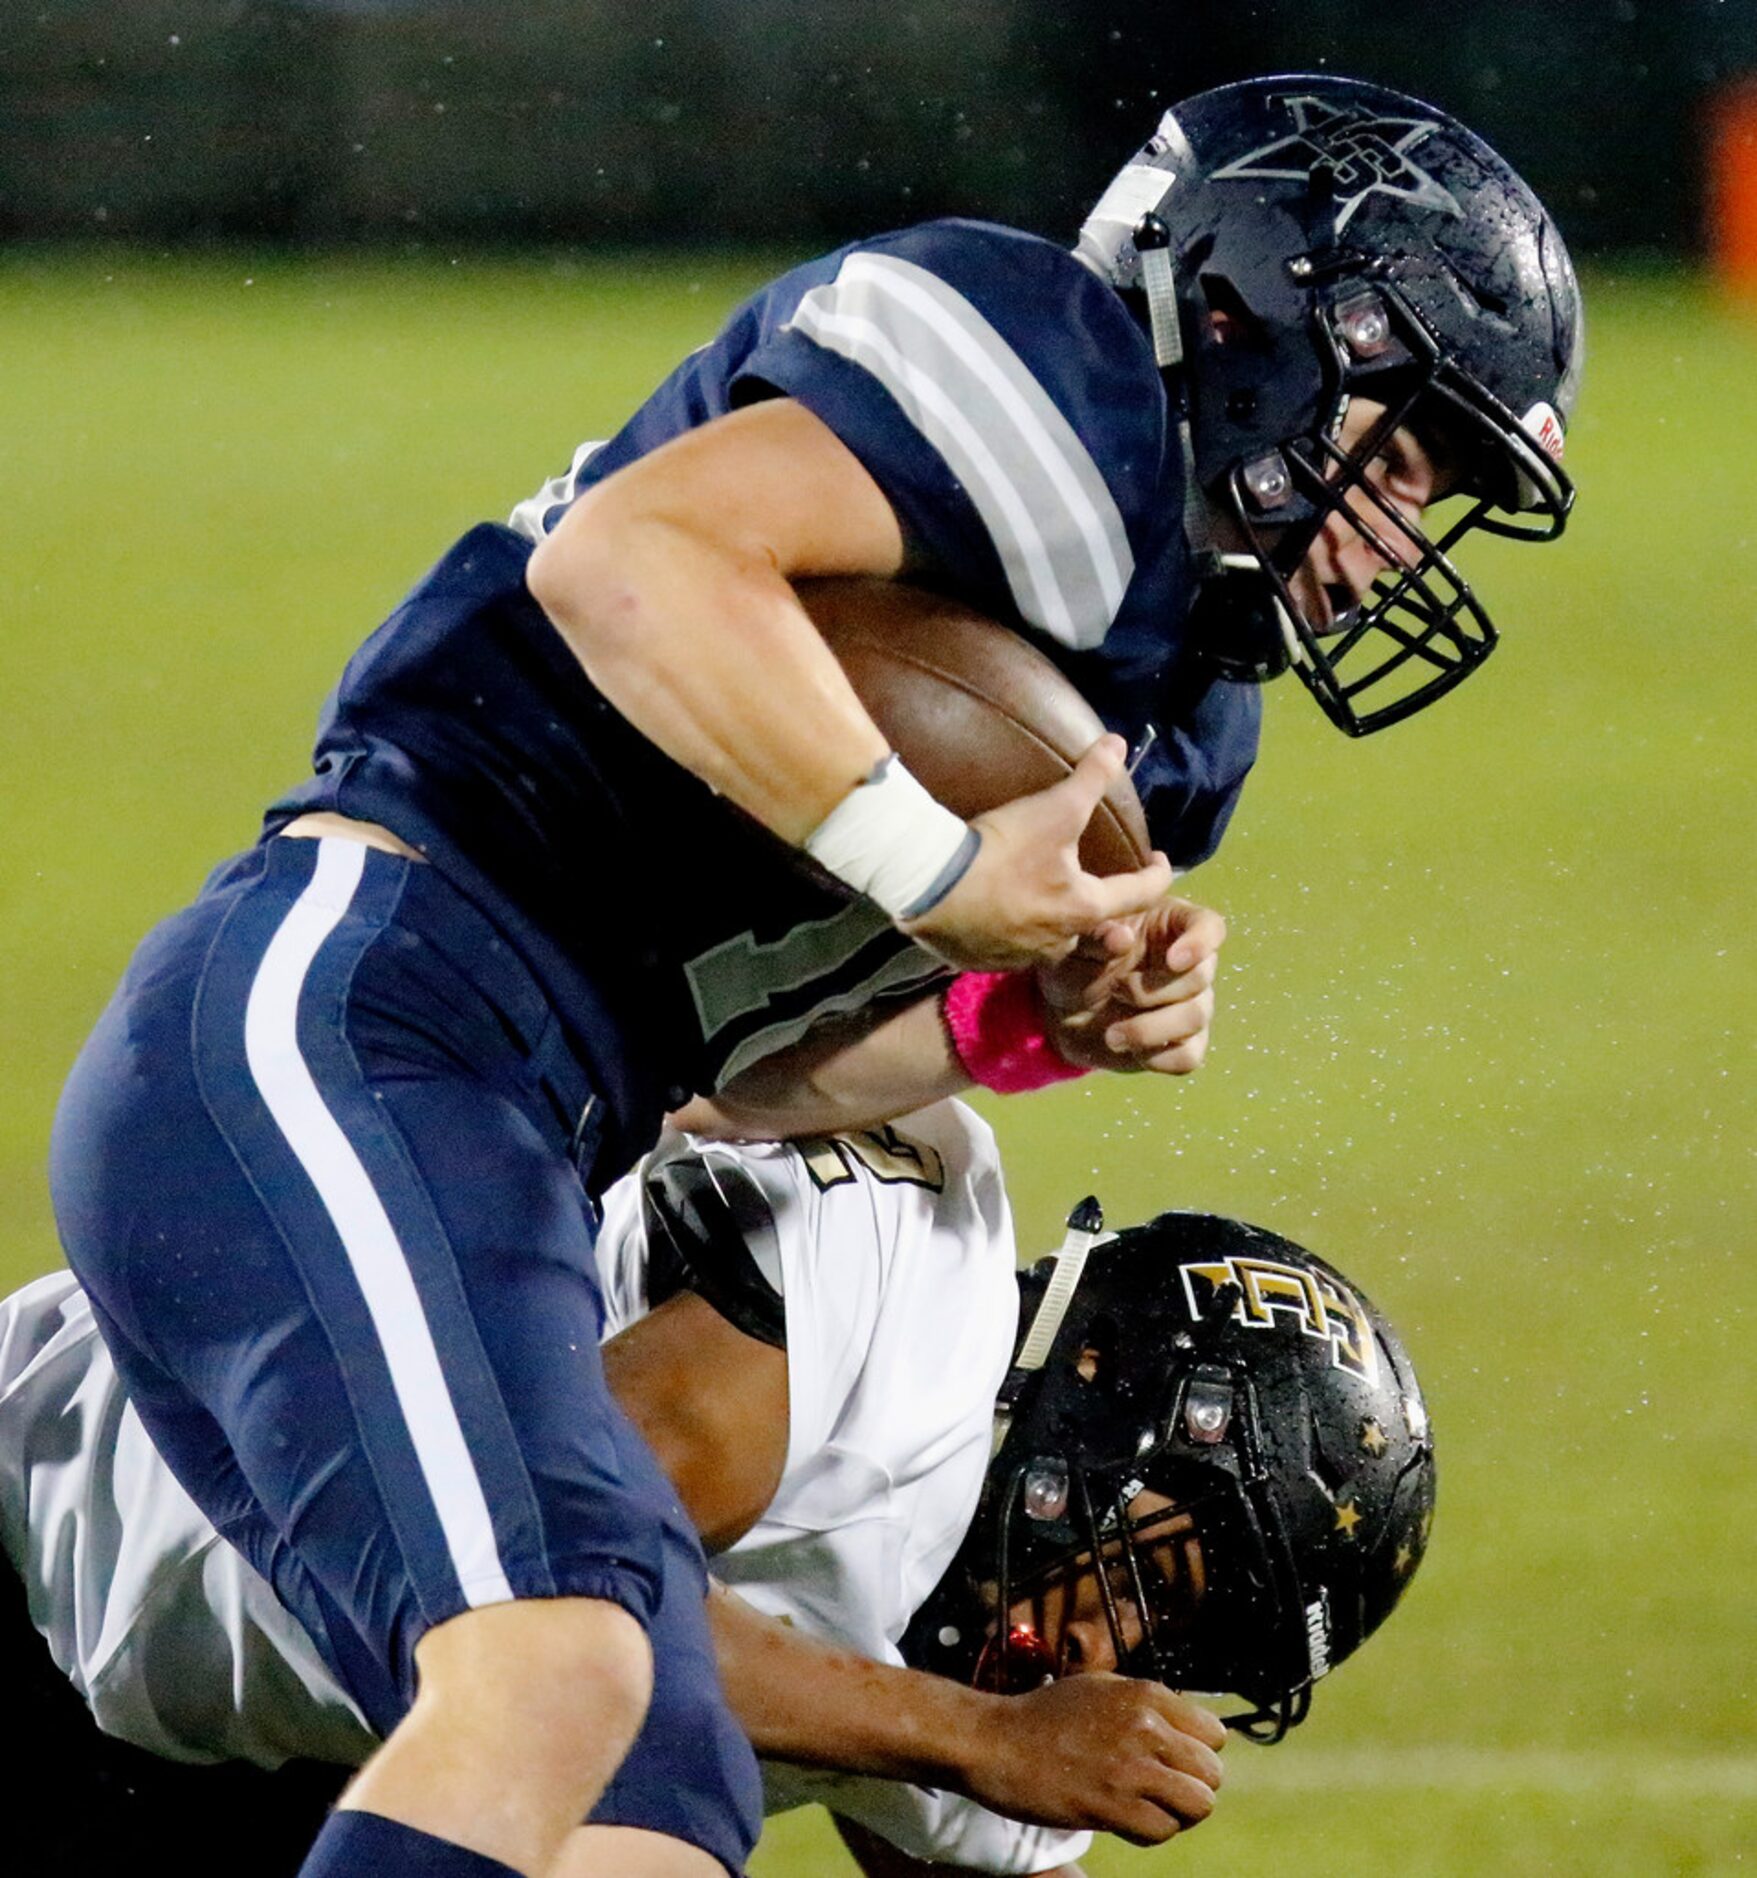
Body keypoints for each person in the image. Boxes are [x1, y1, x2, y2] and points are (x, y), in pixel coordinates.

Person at [45, 70, 1574, 1878]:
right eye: (1398, 455)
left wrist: (1019, 1009)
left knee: (665, 1779)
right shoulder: (1054, 376)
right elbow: (633, 558)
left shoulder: (1180, 726)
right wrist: (933, 863)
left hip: (538, 1100)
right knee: (554, 1668)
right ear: (1249, 318)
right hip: (366, 987)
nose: (1398, 532)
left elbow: (738, 1074)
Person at [7, 1103, 1435, 1875]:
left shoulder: (991, 1667)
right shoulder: (876, 1296)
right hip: (53, 1532)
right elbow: (530, 1584)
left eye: (1171, 1651)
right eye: (1150, 1579)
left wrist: (980, 1748)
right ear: (1110, 1396)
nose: (1100, 1661)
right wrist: (967, 1739)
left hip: (274, 1755)